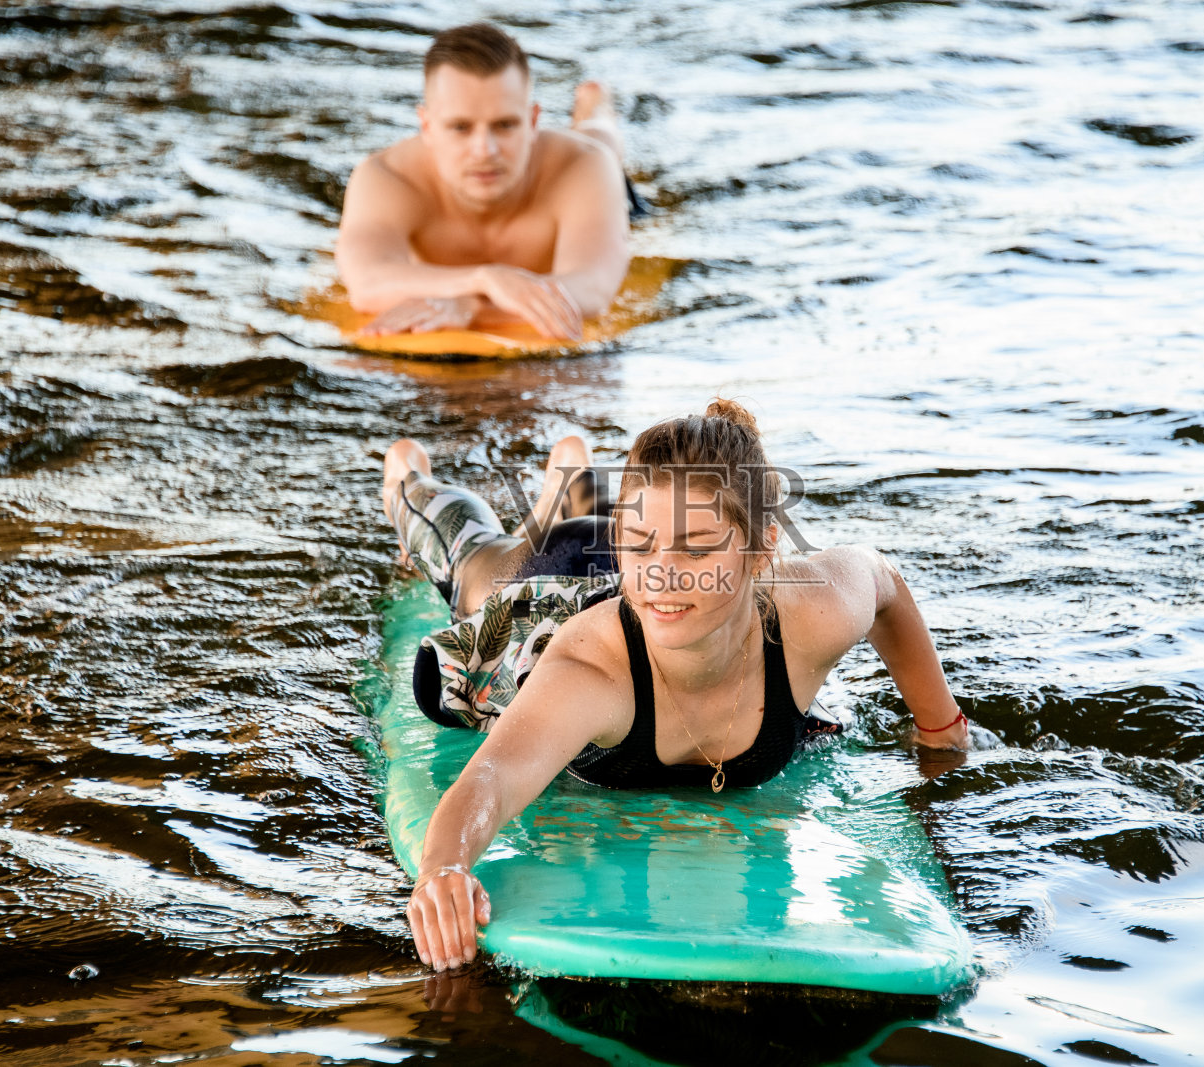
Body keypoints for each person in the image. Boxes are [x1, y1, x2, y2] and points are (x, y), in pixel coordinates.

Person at [379, 400, 972, 973]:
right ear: (625, 540)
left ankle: (572, 484)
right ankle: (417, 479)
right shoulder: (592, 672)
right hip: (550, 586)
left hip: (631, 556)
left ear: (762, 550)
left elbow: (884, 585)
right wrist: (444, 867)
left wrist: (939, 727)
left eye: (696, 548)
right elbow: (494, 778)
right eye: (643, 547)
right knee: (477, 566)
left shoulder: (813, 611)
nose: (663, 573)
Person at [337, 22, 634, 342]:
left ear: (533, 122)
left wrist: (470, 307)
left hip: (582, 166)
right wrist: (486, 279)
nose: (485, 150)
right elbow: (366, 285)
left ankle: (595, 109)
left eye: (505, 125)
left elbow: (592, 289)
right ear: (426, 125)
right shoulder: (386, 177)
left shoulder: (583, 167)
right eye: (461, 127)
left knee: (602, 145)